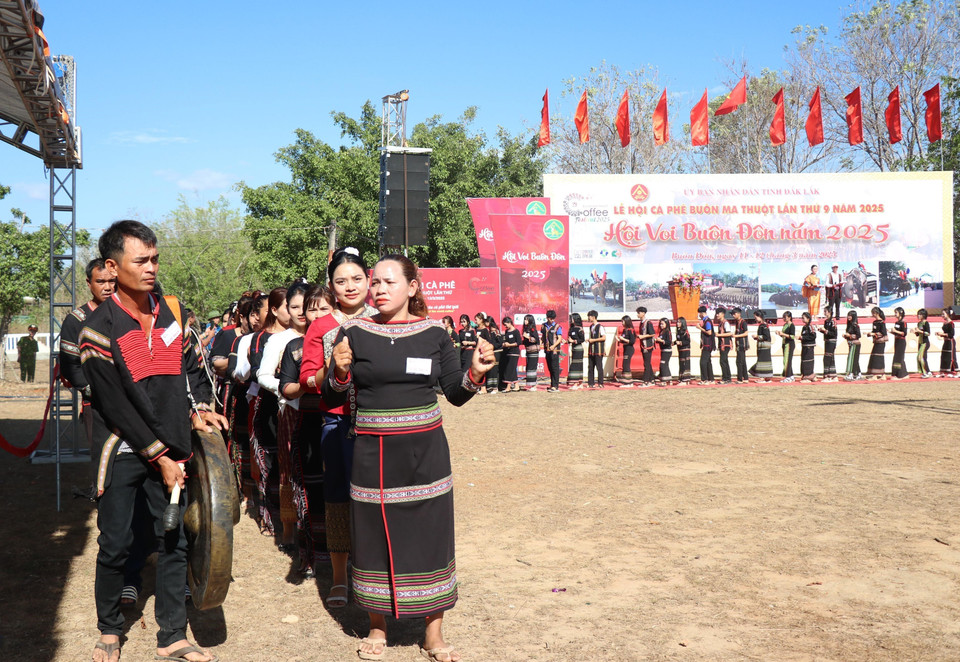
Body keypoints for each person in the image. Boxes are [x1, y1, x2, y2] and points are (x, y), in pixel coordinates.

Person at [322, 254, 495, 662]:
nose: (378, 289)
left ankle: (433, 633)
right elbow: (332, 395)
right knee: (374, 536)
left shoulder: (436, 333)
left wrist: (476, 372)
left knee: (429, 534)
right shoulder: (353, 331)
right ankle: (377, 628)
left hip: (426, 452)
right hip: (373, 453)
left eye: (388, 282)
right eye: (374, 283)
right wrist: (339, 371)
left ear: (412, 287)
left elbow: (454, 392)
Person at [79, 220, 223, 662]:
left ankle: (173, 635)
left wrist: (199, 409)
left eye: (155, 259)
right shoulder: (98, 329)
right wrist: (158, 455)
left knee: (174, 539)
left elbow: (191, 370)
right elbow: (116, 404)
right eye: (141, 260)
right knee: (117, 541)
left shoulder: (171, 314)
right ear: (112, 265)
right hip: (121, 448)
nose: (151, 268)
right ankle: (109, 627)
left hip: (172, 445)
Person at [300, 247, 378, 607]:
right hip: (337, 423)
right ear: (331, 287)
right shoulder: (321, 326)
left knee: (378, 499)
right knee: (337, 499)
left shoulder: (385, 317)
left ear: (369, 280)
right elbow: (307, 380)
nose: (350, 287)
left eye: (357, 279)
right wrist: (332, 368)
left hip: (382, 423)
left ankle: (377, 572)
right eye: (341, 281)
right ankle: (339, 579)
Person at [279, 284, 335, 578]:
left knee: (340, 492)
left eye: (324, 308)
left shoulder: (348, 337)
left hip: (343, 425)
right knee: (312, 491)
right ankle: (313, 556)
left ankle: (350, 557)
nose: (316, 314)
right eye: (311, 308)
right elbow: (286, 389)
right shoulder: (294, 347)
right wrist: (309, 381)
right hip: (310, 424)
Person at [258, 281, 310, 552]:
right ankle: (289, 529)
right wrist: (285, 387)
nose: (301, 312)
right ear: (286, 309)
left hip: (320, 409)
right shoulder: (278, 340)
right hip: (289, 409)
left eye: (306, 306)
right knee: (288, 469)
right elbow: (263, 375)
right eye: (295, 307)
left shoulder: (322, 334)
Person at [249, 287, 290, 535]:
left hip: (294, 409)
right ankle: (271, 517)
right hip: (268, 405)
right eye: (290, 307)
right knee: (270, 463)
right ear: (275, 310)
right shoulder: (259, 339)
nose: (298, 312)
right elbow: (257, 372)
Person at [541, 310, 563, 392]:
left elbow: (559, 338)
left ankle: (555, 386)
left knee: (555, 368)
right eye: (551, 319)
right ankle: (552, 384)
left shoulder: (557, 326)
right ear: (547, 318)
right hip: (547, 349)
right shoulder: (543, 326)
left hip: (554, 350)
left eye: (553, 319)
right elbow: (543, 336)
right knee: (550, 367)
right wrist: (541, 343)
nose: (552, 320)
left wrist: (553, 346)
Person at [749, 310, 774, 382]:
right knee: (765, 360)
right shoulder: (763, 325)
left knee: (762, 361)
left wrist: (757, 337)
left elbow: (766, 337)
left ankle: (762, 377)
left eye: (756, 317)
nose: (755, 319)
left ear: (760, 317)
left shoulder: (764, 326)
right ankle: (767, 377)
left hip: (764, 346)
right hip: (764, 346)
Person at [481, 316, 503, 394]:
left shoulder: (495, 331)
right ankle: (490, 387)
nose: (485, 324)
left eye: (487, 322)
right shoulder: (488, 332)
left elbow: (500, 343)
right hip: (491, 352)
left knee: (495, 370)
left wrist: (492, 345)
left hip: (497, 352)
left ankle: (495, 387)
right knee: (490, 369)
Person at [499, 317, 521, 392]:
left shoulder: (516, 331)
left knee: (509, 369)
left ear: (509, 323)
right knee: (512, 369)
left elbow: (519, 342)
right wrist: (504, 344)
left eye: (506, 325)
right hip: (508, 352)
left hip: (514, 353)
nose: (505, 326)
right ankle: (516, 385)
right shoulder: (507, 332)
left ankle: (508, 387)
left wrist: (510, 345)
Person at [635, 307, 656, 384]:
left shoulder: (648, 322)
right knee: (647, 363)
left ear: (643, 313)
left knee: (646, 363)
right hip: (643, 345)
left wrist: (643, 336)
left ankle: (646, 380)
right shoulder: (641, 323)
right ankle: (652, 379)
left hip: (648, 345)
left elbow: (652, 333)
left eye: (639, 313)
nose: (637, 314)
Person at [586, 310, 605, 389]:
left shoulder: (600, 327)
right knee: (590, 367)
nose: (588, 318)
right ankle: (591, 383)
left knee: (599, 367)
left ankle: (601, 383)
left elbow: (604, 338)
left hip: (598, 350)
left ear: (593, 317)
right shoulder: (591, 326)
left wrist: (593, 340)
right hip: (591, 350)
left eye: (589, 317)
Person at [866, 307, 887, 380]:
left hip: (881, 342)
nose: (873, 315)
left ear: (877, 313)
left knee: (879, 357)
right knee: (874, 356)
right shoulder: (874, 322)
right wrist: (870, 334)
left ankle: (878, 374)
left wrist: (874, 334)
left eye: (873, 313)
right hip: (876, 341)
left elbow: (883, 333)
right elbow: (874, 331)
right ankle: (879, 374)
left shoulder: (882, 322)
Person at [521, 314, 540, 391]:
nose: (525, 321)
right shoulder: (526, 329)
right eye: (524, 319)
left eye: (527, 319)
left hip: (534, 351)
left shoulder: (532, 329)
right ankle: (530, 384)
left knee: (532, 367)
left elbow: (536, 340)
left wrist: (528, 337)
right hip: (528, 350)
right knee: (529, 367)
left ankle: (534, 385)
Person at [818, 308, 838, 382]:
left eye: (825, 311)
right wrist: (821, 330)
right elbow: (826, 332)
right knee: (830, 357)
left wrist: (825, 330)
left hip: (832, 341)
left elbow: (834, 334)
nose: (824, 313)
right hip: (827, 341)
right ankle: (833, 375)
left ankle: (828, 376)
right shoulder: (826, 321)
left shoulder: (833, 322)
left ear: (829, 312)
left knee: (827, 358)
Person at [615, 315, 636, 386]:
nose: (622, 323)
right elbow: (624, 341)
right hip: (625, 348)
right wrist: (619, 340)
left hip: (629, 349)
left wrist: (623, 339)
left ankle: (629, 382)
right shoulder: (625, 330)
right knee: (624, 364)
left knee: (626, 365)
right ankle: (626, 381)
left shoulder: (631, 330)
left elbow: (632, 341)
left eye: (623, 321)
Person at [566, 313, 585, 390]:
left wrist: (574, 341)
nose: (571, 320)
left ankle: (575, 383)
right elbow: (569, 339)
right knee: (577, 365)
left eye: (572, 318)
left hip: (578, 349)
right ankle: (580, 383)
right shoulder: (571, 328)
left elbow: (582, 339)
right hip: (573, 349)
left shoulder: (579, 328)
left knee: (576, 365)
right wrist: (567, 341)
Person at [936, 309, 957, 376]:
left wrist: (943, 334)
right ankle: (943, 371)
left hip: (950, 341)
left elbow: (951, 334)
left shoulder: (951, 323)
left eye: (943, 314)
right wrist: (940, 334)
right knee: (944, 355)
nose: (942, 315)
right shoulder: (944, 323)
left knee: (952, 356)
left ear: (948, 314)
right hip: (946, 341)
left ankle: (957, 371)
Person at [889, 307, 908, 379]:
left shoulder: (904, 322)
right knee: (897, 357)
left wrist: (895, 331)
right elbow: (896, 332)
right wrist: (892, 332)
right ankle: (900, 373)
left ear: (900, 313)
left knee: (899, 358)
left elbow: (904, 333)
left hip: (901, 341)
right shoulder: (897, 323)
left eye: (896, 312)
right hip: (897, 340)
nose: (895, 314)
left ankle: (900, 375)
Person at [777, 311, 796, 383]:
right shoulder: (785, 325)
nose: (784, 318)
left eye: (785, 317)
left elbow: (792, 336)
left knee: (787, 360)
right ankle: (791, 376)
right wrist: (780, 334)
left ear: (789, 317)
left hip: (789, 344)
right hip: (785, 343)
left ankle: (788, 376)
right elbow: (784, 335)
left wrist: (783, 334)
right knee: (786, 360)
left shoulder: (792, 325)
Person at [732, 308, 749, 383]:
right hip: (739, 344)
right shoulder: (737, 322)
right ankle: (745, 378)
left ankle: (740, 379)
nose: (733, 315)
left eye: (734, 314)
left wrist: (736, 336)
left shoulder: (743, 322)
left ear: (739, 314)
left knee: (739, 361)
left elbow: (746, 333)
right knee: (742, 361)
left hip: (742, 344)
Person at [697, 306, 714, 385]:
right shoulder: (706, 321)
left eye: (699, 314)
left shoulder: (707, 321)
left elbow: (709, 332)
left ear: (702, 313)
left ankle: (704, 379)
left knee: (703, 362)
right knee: (708, 362)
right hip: (707, 344)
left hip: (707, 344)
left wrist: (700, 328)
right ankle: (711, 379)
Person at [843, 311, 862, 380]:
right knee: (854, 359)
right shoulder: (849, 325)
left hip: (855, 344)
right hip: (850, 344)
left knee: (852, 359)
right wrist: (845, 336)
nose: (848, 317)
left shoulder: (855, 325)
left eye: (850, 316)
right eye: (848, 315)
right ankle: (858, 373)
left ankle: (851, 374)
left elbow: (859, 335)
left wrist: (850, 335)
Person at [715, 308, 733, 384]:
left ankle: (726, 378)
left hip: (725, 344)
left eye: (718, 314)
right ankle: (726, 377)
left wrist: (719, 335)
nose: (717, 315)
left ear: (722, 314)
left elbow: (729, 333)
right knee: (724, 361)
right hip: (722, 344)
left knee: (723, 361)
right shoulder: (721, 323)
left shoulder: (725, 323)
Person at [914, 308, 932, 378]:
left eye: (920, 314)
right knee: (922, 357)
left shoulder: (926, 323)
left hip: (925, 343)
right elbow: (918, 334)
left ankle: (925, 373)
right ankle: (928, 371)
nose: (918, 316)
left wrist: (920, 331)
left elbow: (928, 333)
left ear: (924, 315)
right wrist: (916, 332)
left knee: (920, 357)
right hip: (920, 342)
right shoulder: (919, 323)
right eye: (918, 314)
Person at [799, 312, 817, 381]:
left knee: (808, 360)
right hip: (804, 346)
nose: (802, 319)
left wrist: (803, 338)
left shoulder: (810, 327)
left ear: (808, 319)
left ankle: (809, 375)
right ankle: (805, 375)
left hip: (809, 346)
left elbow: (813, 336)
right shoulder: (804, 327)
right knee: (804, 360)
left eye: (803, 318)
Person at [675, 317, 692, 384]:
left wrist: (680, 343)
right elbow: (678, 340)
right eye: (677, 322)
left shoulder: (685, 332)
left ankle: (686, 379)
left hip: (685, 350)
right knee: (681, 364)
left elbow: (688, 341)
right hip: (680, 350)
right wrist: (673, 343)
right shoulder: (678, 331)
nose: (677, 323)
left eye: (679, 322)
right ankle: (681, 378)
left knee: (685, 364)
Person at [655, 317, 672, 384]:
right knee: (665, 364)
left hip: (667, 350)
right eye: (660, 324)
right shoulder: (662, 332)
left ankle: (664, 380)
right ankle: (668, 379)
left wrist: (661, 341)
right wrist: (657, 340)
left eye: (662, 324)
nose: (661, 326)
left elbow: (669, 342)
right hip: (663, 350)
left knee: (663, 364)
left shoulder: (668, 332)